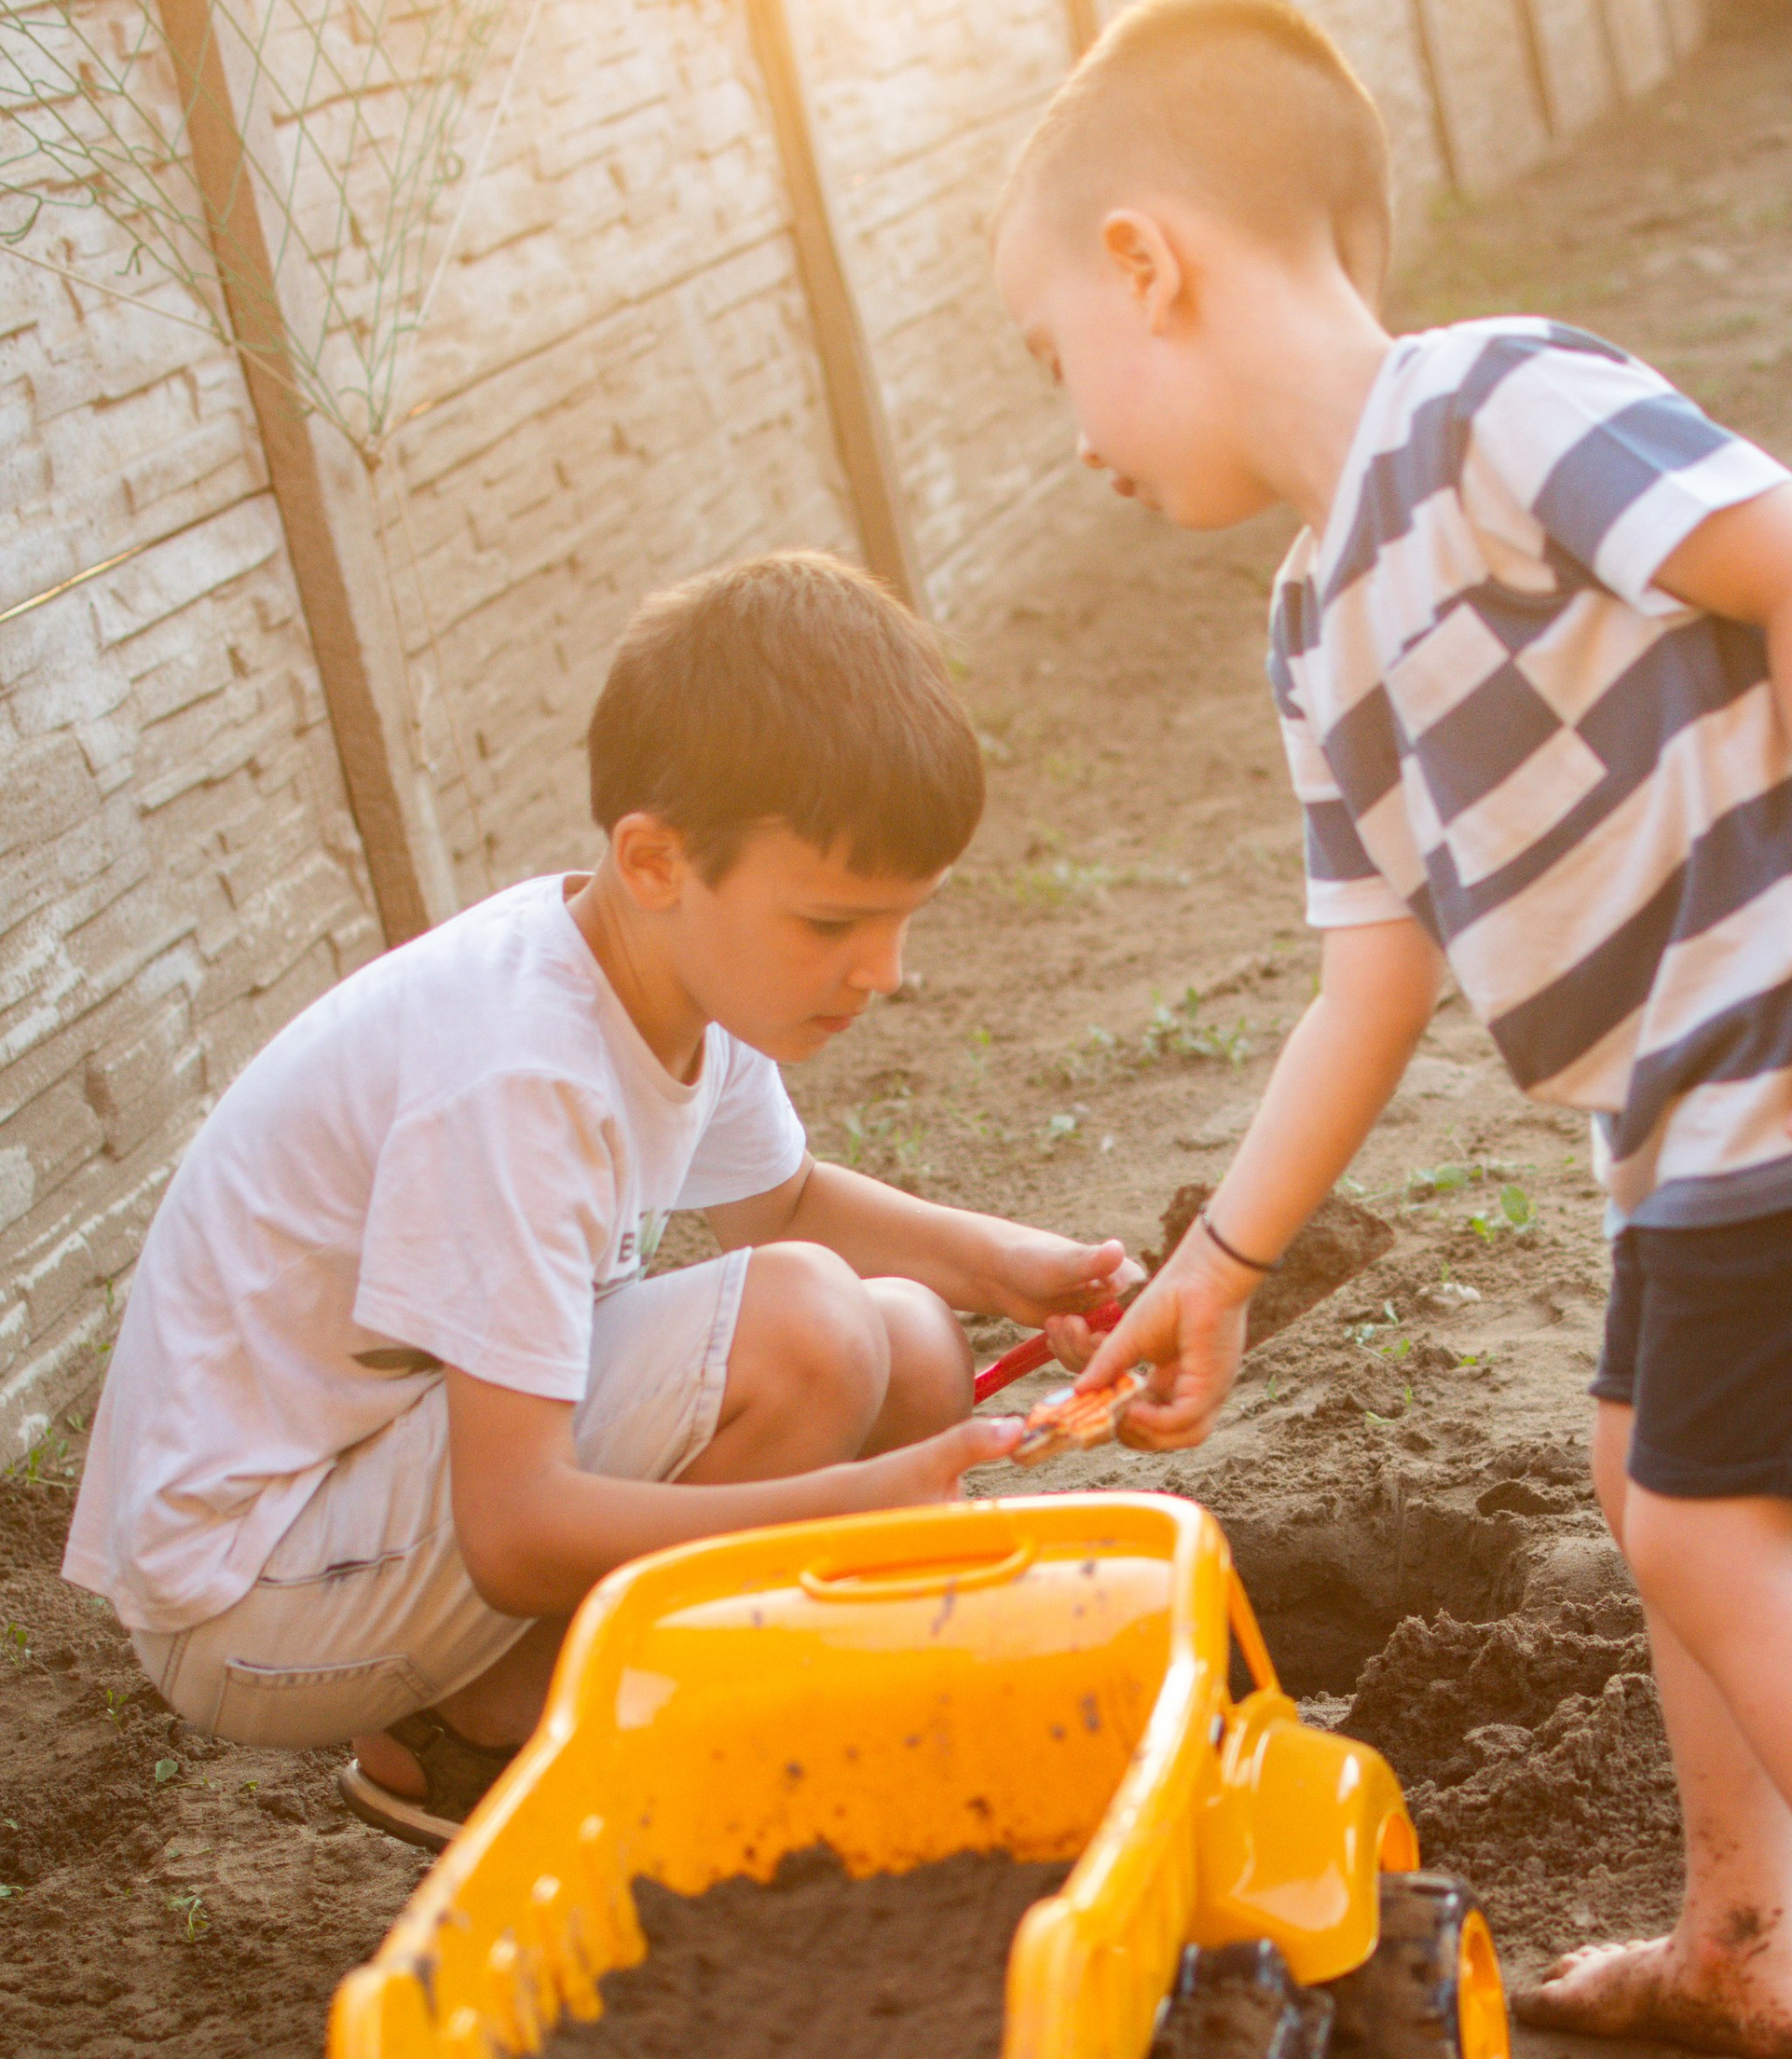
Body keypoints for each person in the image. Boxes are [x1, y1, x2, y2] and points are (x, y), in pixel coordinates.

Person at [992, 0, 1792, 2059]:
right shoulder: (1310, 616)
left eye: (1046, 363)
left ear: (1144, 262)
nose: (1066, 428)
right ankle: (1736, 1944)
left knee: (1706, 1524)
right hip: (1692, 1102)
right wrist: (1219, 1265)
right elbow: (1366, 982)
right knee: (1641, 1473)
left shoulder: (1486, 402)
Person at [64, 551, 1125, 1848]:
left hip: (379, 1490)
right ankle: (498, 1741)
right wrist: (860, 1499)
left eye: (904, 921)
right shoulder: (518, 1072)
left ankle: (735, 1713)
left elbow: (781, 1208)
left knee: (906, 1337)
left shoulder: (678, 972)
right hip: (251, 1589)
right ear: (657, 859)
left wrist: (1003, 1264)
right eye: (835, 924)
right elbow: (517, 1536)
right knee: (814, 1335)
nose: (884, 972)